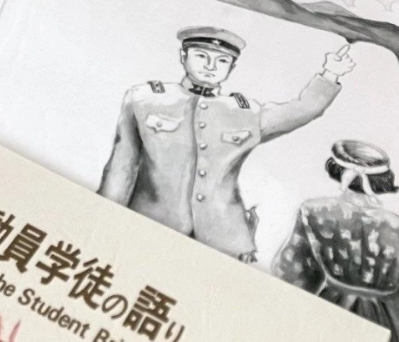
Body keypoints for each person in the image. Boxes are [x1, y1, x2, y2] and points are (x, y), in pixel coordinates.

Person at [99, 27, 356, 262]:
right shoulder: (146, 98)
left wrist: (330, 73)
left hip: (224, 240)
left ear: (232, 67)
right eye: (201, 56)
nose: (211, 66)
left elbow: (304, 109)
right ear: (183, 56)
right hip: (149, 226)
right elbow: (122, 166)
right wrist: (104, 216)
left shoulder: (245, 112)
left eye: (222, 61)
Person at [274, 141, 399, 342]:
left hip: (328, 313)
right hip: (388, 326)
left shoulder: (314, 211)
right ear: (384, 179)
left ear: (336, 170)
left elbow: (291, 272)